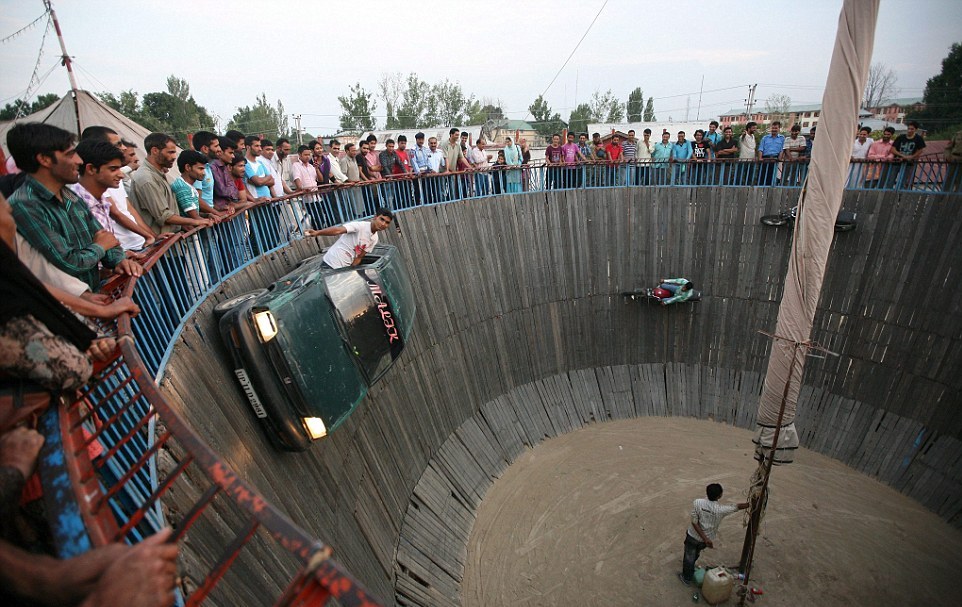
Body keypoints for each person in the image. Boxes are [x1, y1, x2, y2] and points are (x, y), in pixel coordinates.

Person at [6, 123, 142, 293]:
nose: (79, 160)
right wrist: (100, 247)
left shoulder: (70, 196)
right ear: (45, 159)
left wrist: (119, 260)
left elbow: (105, 238)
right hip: (66, 307)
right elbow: (68, 263)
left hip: (94, 294)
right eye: (70, 154)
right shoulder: (25, 205)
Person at [129, 133, 210, 235]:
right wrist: (195, 221)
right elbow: (164, 215)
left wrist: (186, 222)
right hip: (160, 243)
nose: (174, 157)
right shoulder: (147, 178)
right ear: (155, 151)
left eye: (174, 153)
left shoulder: (158, 174)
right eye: (170, 152)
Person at [679, 483, 748, 586]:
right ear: (720, 496)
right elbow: (735, 507)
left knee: (689, 556)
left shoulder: (697, 503)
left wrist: (704, 538)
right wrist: (750, 504)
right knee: (695, 554)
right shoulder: (720, 510)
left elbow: (694, 522)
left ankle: (686, 578)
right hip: (704, 541)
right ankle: (690, 570)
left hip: (692, 536)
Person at [306, 207, 394, 269]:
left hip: (343, 269)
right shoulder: (360, 226)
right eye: (381, 219)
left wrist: (351, 271)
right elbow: (338, 231)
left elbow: (359, 257)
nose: (383, 224)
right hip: (331, 263)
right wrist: (317, 232)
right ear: (375, 217)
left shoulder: (374, 239)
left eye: (387, 222)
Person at [891, 120, 926, 188]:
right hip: (897, 161)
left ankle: (899, 195)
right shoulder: (901, 137)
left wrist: (911, 157)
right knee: (891, 179)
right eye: (909, 128)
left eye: (912, 129)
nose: (909, 130)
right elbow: (893, 149)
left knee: (903, 181)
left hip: (909, 163)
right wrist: (902, 155)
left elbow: (920, 150)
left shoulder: (918, 139)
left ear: (916, 129)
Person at [757, 121, 784, 185]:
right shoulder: (765, 138)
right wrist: (760, 158)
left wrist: (779, 158)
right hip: (765, 159)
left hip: (775, 159)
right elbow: (761, 149)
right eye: (773, 128)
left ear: (779, 129)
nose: (774, 130)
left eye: (776, 128)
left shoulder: (782, 138)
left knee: (772, 178)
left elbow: (782, 149)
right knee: (762, 177)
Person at [943, 128, 962, 192]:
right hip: (954, 159)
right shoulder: (958, 134)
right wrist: (947, 156)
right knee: (949, 179)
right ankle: (942, 197)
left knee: (959, 181)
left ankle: (957, 199)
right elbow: (948, 147)